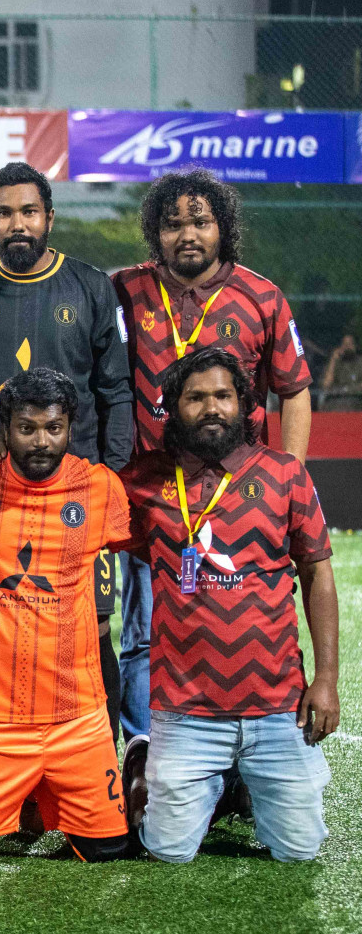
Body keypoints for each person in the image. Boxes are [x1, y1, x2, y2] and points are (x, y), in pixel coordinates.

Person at [112, 168, 314, 790]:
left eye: (200, 221)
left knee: (254, 622)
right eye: (173, 223)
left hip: (243, 499)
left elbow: (295, 392)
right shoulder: (122, 291)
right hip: (153, 496)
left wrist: (290, 487)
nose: (188, 234)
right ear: (155, 231)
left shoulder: (262, 296)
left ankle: (251, 764)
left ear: (223, 226)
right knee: (147, 631)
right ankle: (151, 756)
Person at [114, 348, 337, 862]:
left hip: (279, 708)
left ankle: (240, 786)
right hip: (185, 712)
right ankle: (147, 755)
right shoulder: (143, 482)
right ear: (172, 407)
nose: (211, 407)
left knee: (301, 851)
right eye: (195, 397)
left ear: (245, 405)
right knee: (168, 852)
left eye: (222, 395)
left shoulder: (285, 475)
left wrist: (325, 678)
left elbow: (318, 573)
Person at [0, 161, 133, 739]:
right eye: (5, 213)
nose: (17, 224)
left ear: (49, 217)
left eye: (29, 212)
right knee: (4, 637)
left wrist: (109, 476)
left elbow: (115, 390)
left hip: (77, 500)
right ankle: (20, 787)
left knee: (92, 633)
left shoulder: (90, 286)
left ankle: (103, 762)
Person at [0, 368, 132, 866]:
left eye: (53, 428)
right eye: (27, 428)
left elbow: (151, 537)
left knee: (111, 852)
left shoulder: (100, 488)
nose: (41, 441)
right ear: (4, 427)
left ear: (71, 427)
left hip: (79, 718)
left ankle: (45, 803)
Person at [320, 334, 362, 410]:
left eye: (350, 344)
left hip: (355, 401)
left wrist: (349, 389)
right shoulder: (335, 363)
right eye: (345, 344)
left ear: (355, 346)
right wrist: (333, 360)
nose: (347, 347)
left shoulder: (360, 363)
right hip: (335, 401)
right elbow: (326, 385)